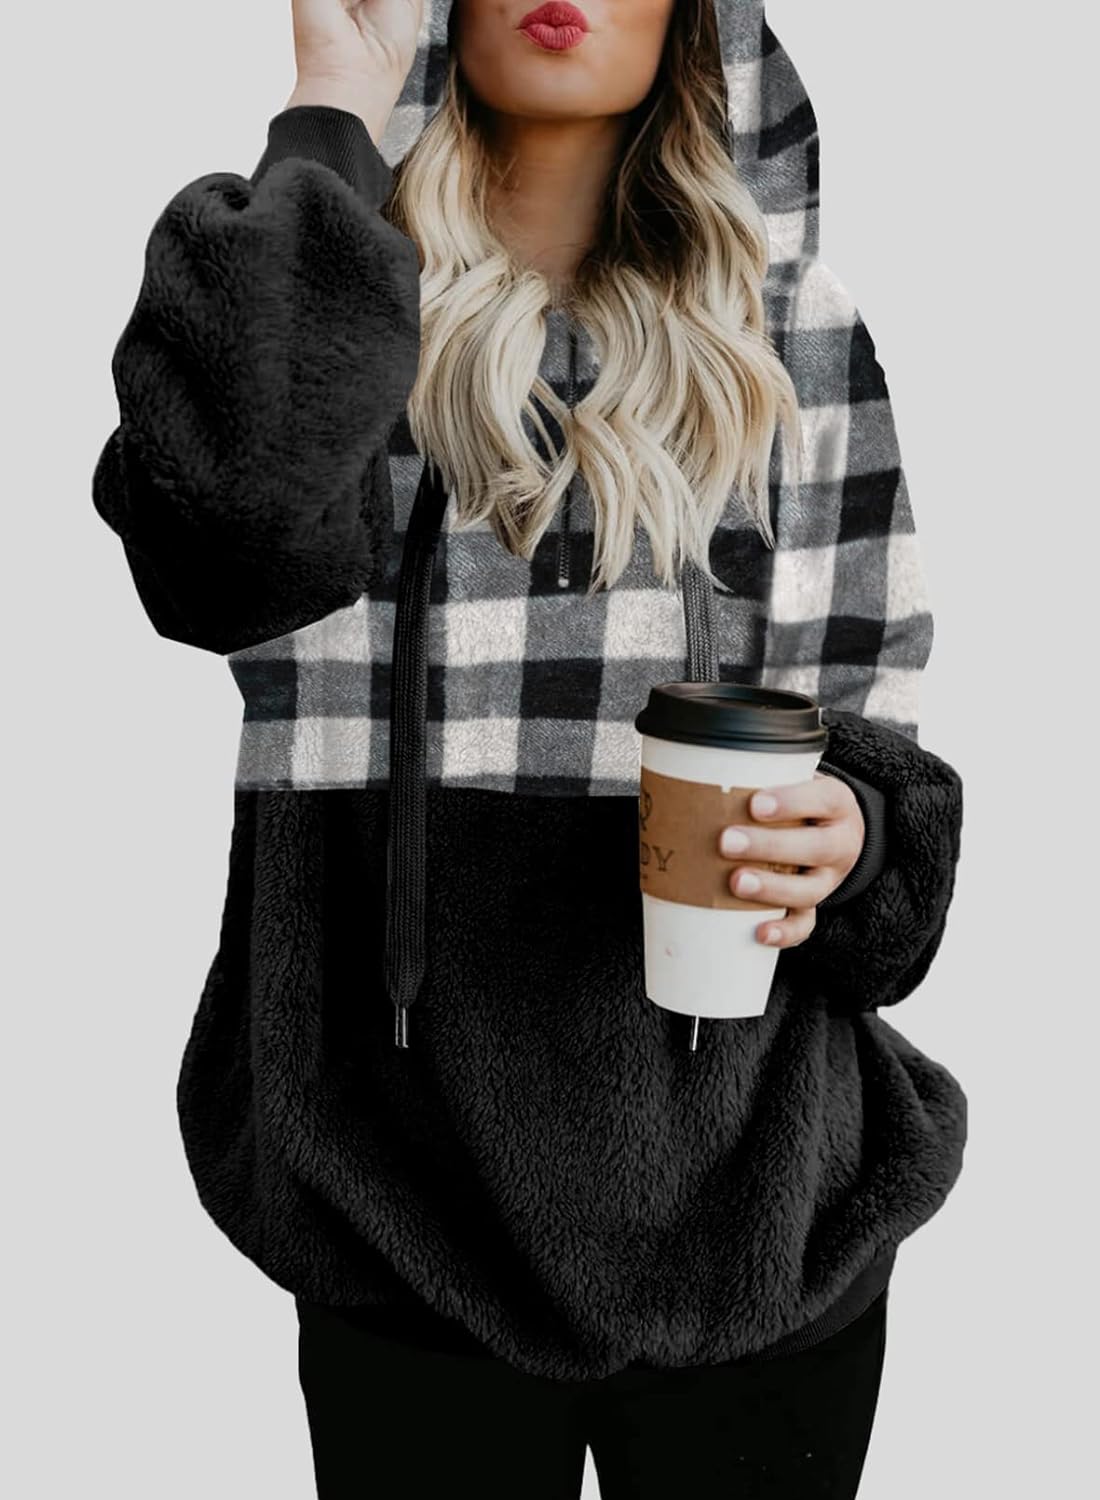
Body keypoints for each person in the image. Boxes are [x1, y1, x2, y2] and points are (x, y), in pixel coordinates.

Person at [91, 0, 968, 1495]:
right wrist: (331, 106)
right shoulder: (331, 310)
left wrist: (860, 837)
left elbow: (879, 763)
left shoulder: (797, 333)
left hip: (763, 1221)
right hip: (400, 1213)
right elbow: (213, 536)